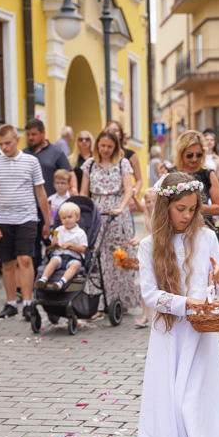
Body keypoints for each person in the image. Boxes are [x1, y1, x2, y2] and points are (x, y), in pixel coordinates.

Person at [131, 172, 219, 437]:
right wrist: (183, 303)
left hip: (200, 334)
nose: (187, 215)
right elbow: (150, 294)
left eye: (192, 209)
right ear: (165, 207)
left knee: (194, 402)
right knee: (172, 406)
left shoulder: (205, 238)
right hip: (168, 334)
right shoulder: (150, 245)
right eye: (180, 209)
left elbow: (217, 286)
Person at [0, 124, 51, 320]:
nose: (4, 147)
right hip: (2, 220)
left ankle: (28, 303)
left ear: (17, 141)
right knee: (7, 263)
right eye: (1, 144)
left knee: (25, 259)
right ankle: (11, 302)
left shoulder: (31, 162)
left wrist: (47, 222)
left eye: (8, 143)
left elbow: (41, 193)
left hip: (27, 218)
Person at [80, 129, 141, 313]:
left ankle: (121, 301)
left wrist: (122, 207)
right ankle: (99, 303)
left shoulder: (122, 163)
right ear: (97, 145)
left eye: (110, 146)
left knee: (120, 257)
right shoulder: (89, 164)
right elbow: (84, 192)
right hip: (97, 212)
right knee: (99, 258)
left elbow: (128, 189)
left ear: (115, 147)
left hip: (117, 214)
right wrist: (85, 212)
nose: (105, 149)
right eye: (103, 146)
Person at [25, 118, 77, 268]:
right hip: (30, 209)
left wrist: (74, 190)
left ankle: (56, 276)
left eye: (34, 134)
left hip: (52, 209)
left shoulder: (56, 152)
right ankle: (34, 283)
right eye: (28, 134)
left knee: (54, 245)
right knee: (32, 250)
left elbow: (69, 172)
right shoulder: (24, 154)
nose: (30, 138)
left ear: (43, 133)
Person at [171, 131, 219, 245]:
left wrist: (194, 207)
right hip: (175, 231)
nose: (194, 159)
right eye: (189, 155)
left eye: (199, 154)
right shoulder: (171, 174)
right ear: (181, 152)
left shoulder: (208, 174)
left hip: (202, 229)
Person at [35, 202, 87, 292]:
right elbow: (53, 242)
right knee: (53, 261)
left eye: (70, 217)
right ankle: (44, 278)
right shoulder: (58, 230)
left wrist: (71, 245)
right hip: (59, 256)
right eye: (64, 218)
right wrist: (54, 242)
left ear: (77, 218)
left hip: (73, 257)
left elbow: (83, 249)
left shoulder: (80, 232)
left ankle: (62, 281)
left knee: (75, 265)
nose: (67, 220)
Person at [132, 188, 157, 329]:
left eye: (153, 201)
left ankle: (156, 315)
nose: (150, 204)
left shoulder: (157, 215)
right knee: (146, 282)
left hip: (155, 251)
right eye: (148, 201)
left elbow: (153, 235)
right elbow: (140, 208)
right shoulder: (147, 212)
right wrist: (135, 197)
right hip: (149, 251)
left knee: (156, 283)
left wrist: (140, 242)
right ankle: (145, 316)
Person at [106, 120, 144, 199]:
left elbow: (139, 180)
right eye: (109, 130)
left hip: (125, 198)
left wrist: (133, 193)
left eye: (115, 130)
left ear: (120, 135)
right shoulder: (102, 155)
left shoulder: (130, 155)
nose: (112, 133)